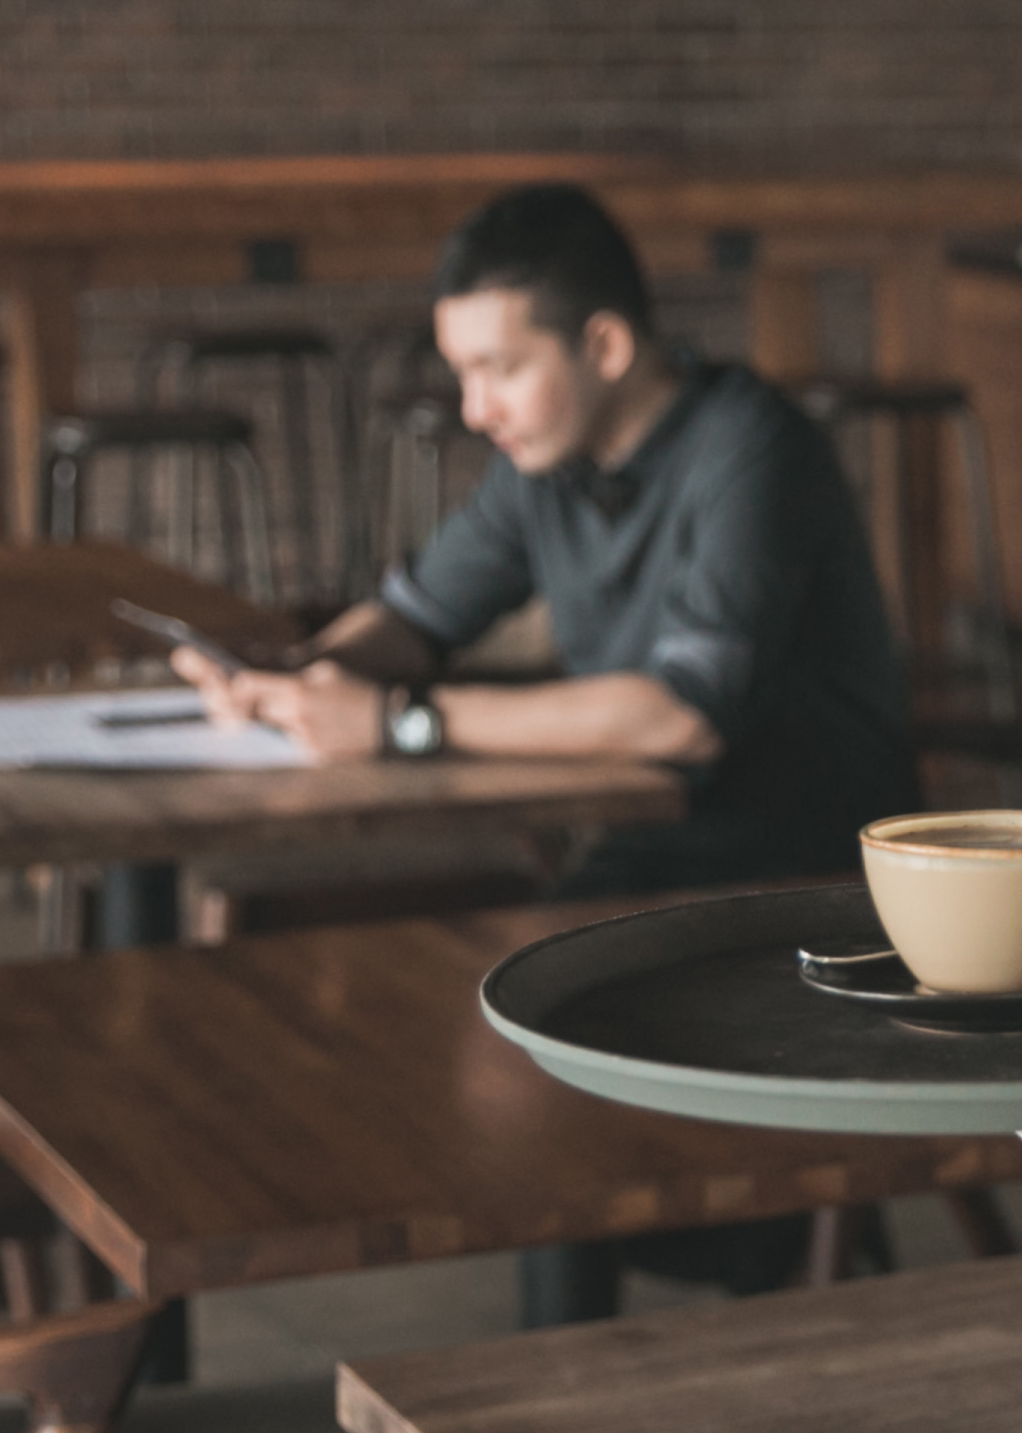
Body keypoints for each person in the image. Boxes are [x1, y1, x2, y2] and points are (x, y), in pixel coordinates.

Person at [181, 181, 916, 897]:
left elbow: (684, 717)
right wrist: (294, 679)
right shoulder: (545, 463)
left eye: (498, 370)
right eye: (462, 373)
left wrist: (396, 721)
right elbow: (416, 620)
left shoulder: (751, 448)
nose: (474, 410)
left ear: (605, 346)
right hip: (649, 852)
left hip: (804, 882)